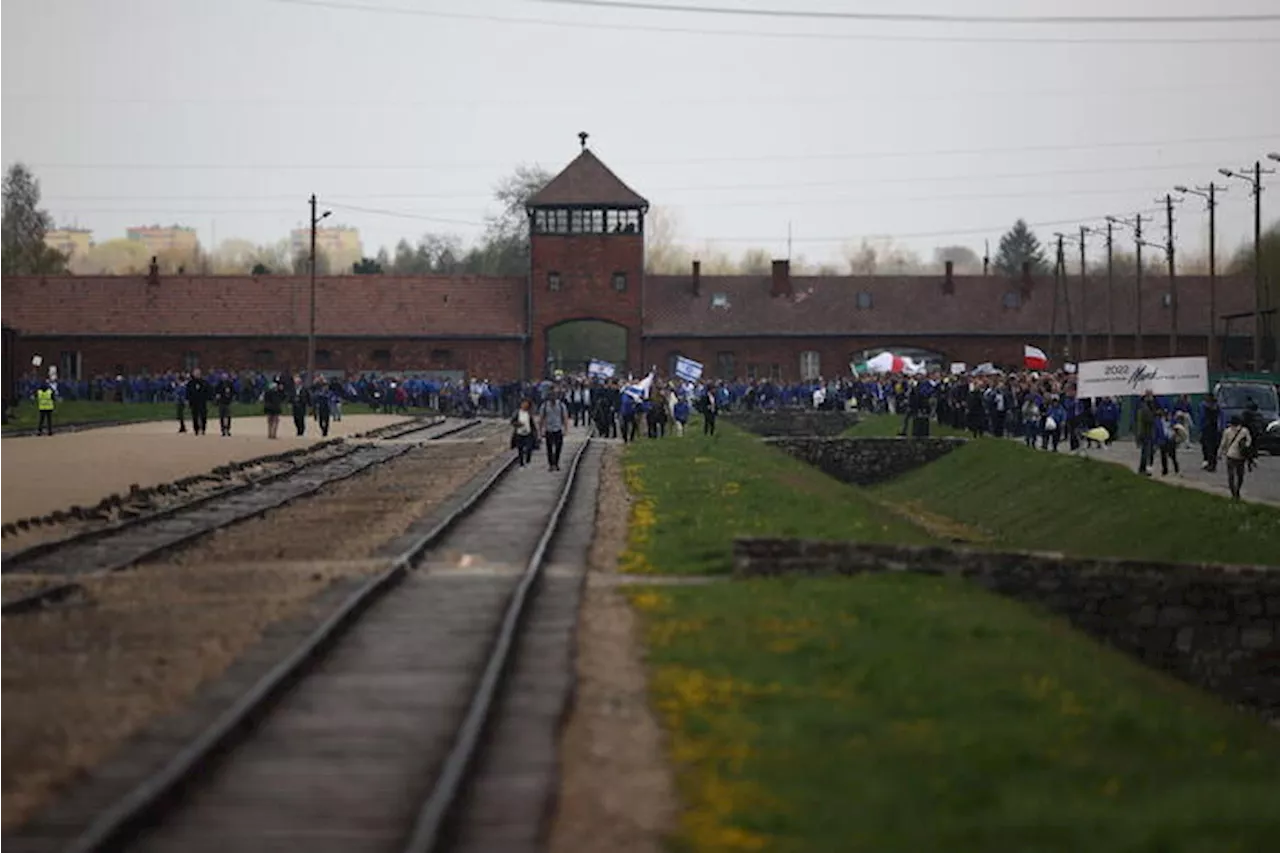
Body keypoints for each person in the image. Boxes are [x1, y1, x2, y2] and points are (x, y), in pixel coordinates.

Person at [1219, 414, 1254, 501]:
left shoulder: (1227, 431)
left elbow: (1223, 443)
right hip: (1241, 456)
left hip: (1230, 455)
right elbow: (1249, 441)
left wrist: (1219, 453)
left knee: (1231, 476)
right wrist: (1245, 447)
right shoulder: (1244, 431)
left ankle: (1233, 492)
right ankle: (1237, 490)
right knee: (1240, 475)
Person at [538, 389, 569, 471]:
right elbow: (541, 419)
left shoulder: (561, 406)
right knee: (549, 448)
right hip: (548, 429)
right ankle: (551, 464)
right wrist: (540, 431)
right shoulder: (544, 406)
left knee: (558, 447)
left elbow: (565, 418)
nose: (553, 398)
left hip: (558, 429)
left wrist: (565, 429)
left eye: (554, 396)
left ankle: (556, 463)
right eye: (551, 396)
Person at [1199, 393, 1223, 472]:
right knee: (1214, 448)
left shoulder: (1205, 407)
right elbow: (1221, 418)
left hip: (1207, 428)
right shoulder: (1217, 407)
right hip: (1215, 428)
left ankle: (1210, 464)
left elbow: (1202, 418)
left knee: (1208, 447)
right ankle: (1213, 464)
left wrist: (1201, 429)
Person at [510, 399, 536, 466]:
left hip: (528, 433)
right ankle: (521, 462)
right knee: (520, 448)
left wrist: (535, 433)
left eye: (526, 404)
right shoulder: (517, 412)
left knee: (529, 447)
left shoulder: (529, 413)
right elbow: (512, 422)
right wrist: (518, 424)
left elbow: (532, 423)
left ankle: (528, 459)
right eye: (523, 404)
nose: (524, 405)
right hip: (519, 433)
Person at [186, 368, 211, 436]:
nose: (197, 375)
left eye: (198, 373)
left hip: (202, 401)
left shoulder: (204, 382)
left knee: (203, 416)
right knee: (195, 416)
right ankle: (196, 429)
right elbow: (188, 393)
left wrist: (208, 399)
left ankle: (203, 428)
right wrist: (188, 400)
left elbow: (208, 391)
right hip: (194, 402)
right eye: (196, 374)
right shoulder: (190, 383)